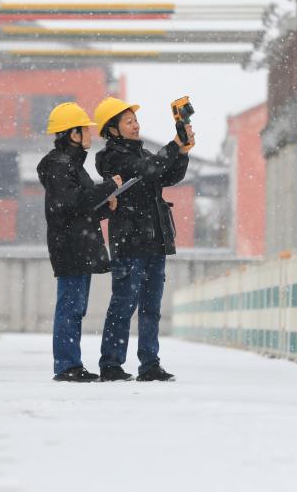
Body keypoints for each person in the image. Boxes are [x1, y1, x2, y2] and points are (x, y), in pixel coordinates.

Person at [92, 96, 194, 382]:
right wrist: (174, 145)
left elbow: (167, 176)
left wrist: (182, 152)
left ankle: (150, 364)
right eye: (129, 122)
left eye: (135, 120)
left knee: (151, 308)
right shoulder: (112, 158)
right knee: (123, 305)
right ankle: (111, 364)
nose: (136, 125)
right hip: (130, 242)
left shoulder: (142, 153)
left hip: (155, 240)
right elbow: (149, 169)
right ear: (112, 129)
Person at [36, 102, 122, 382]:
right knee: (70, 308)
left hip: (78, 245)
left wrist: (106, 207)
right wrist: (110, 186)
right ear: (73, 134)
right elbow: (73, 203)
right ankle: (66, 366)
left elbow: (79, 208)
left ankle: (71, 363)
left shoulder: (71, 165)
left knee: (75, 307)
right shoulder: (60, 166)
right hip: (70, 246)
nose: (89, 134)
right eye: (85, 129)